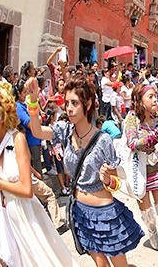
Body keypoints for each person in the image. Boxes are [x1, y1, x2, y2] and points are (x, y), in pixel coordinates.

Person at [25, 75, 144, 266]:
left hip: (106, 214)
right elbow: (37, 131)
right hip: (81, 212)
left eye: (74, 103)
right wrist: (32, 101)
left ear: (87, 104)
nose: (69, 108)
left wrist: (107, 179)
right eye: (67, 103)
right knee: (101, 265)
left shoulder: (103, 140)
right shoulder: (64, 131)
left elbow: (117, 183)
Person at [0, 82, 79, 267]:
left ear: (2, 115)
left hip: (25, 216)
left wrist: (0, 184)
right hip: (4, 217)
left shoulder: (17, 139)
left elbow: (27, 190)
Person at [123, 84, 158, 257]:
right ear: (140, 100)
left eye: (155, 96)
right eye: (150, 96)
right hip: (138, 171)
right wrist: (156, 135)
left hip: (155, 168)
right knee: (146, 210)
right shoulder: (132, 118)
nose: (155, 99)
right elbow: (132, 143)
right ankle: (153, 233)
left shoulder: (156, 119)